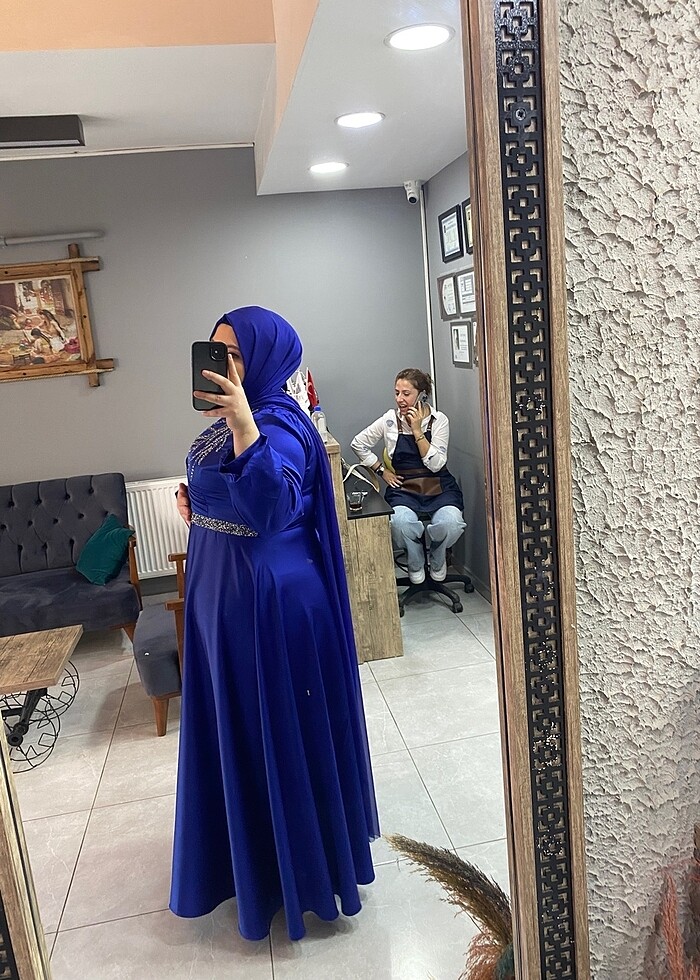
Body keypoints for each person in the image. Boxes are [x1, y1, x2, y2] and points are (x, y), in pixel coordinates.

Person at [170, 306, 379, 943]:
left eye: (235, 354)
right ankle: (250, 860)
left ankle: (296, 874)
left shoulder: (281, 424)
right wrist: (195, 503)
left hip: (268, 606)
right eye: (217, 351)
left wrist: (242, 421)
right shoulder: (226, 422)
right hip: (222, 597)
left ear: (265, 359)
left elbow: (270, 509)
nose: (223, 365)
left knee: (275, 733)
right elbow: (223, 488)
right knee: (239, 731)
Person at [351, 368, 466, 584]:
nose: (400, 399)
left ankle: (438, 557)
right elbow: (358, 443)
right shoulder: (389, 420)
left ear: (421, 395)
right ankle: (415, 561)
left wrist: (417, 430)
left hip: (439, 486)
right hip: (405, 489)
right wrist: (381, 470)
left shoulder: (439, 420)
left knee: (451, 523)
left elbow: (436, 465)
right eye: (397, 393)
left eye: (406, 393)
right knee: (400, 523)